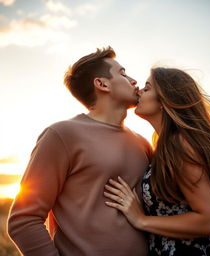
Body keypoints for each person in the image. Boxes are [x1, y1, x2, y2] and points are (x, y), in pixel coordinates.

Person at [7, 47, 152, 256]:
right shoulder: (61, 135)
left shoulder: (142, 143)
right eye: (122, 73)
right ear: (102, 84)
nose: (133, 80)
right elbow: (23, 220)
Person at [104, 67, 210, 255]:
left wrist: (141, 220)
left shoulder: (181, 146)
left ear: (165, 100)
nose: (139, 91)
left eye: (147, 88)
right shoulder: (164, 145)